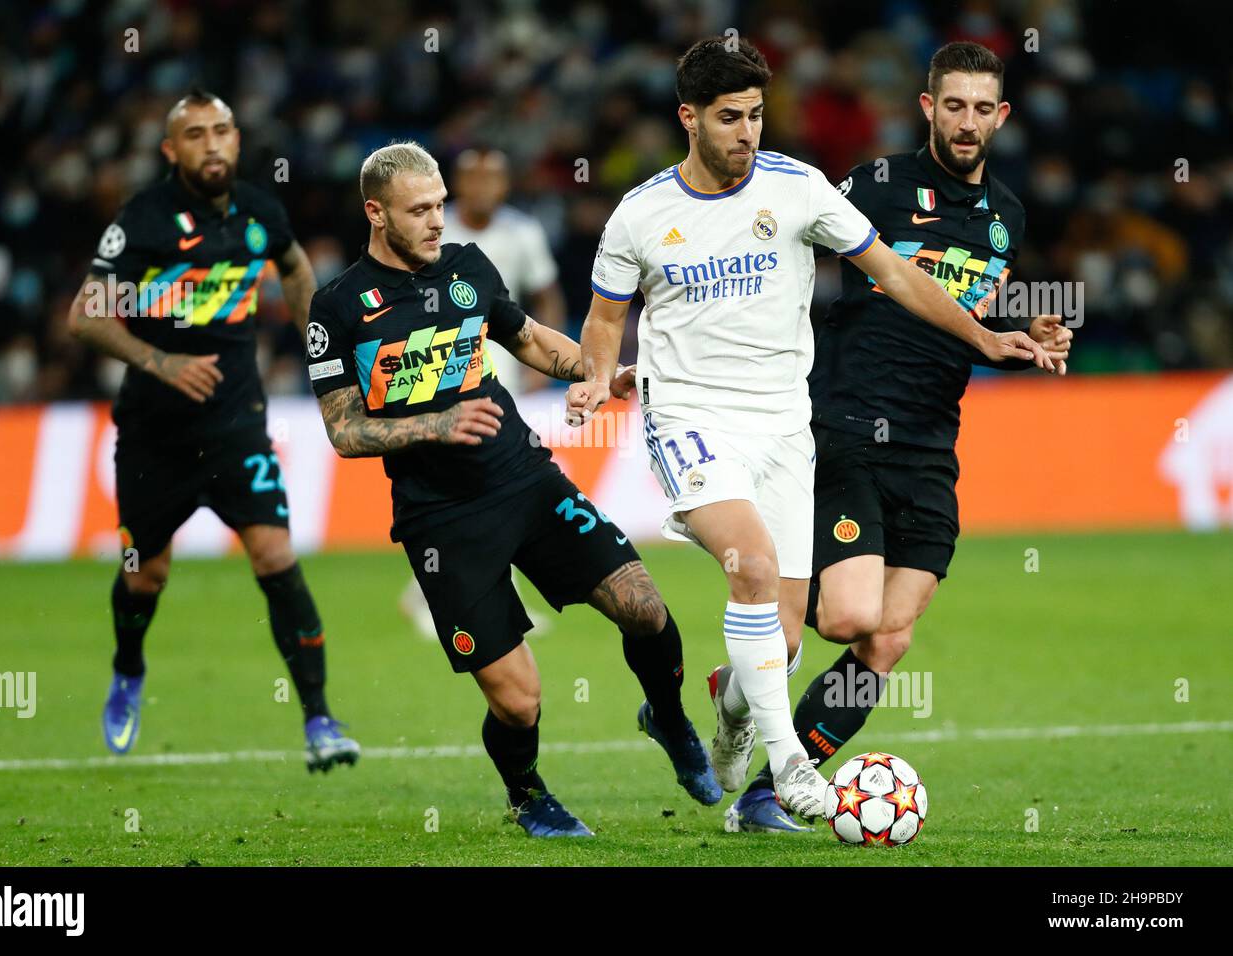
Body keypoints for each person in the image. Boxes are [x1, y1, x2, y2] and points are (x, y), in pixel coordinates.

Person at [568, 37, 1054, 822]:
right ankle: (790, 766)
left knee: (824, 641)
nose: (749, 133)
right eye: (732, 118)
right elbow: (602, 318)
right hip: (761, 419)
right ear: (688, 119)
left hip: (853, 433)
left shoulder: (828, 193)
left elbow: (917, 279)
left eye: (758, 116)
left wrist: (1000, 337)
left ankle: (737, 723)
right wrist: (596, 378)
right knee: (783, 583)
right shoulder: (650, 212)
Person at [306, 141, 720, 837]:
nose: (439, 221)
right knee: (519, 701)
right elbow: (344, 431)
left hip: (523, 479)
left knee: (644, 607)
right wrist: (439, 422)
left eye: (440, 205)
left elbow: (526, 338)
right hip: (440, 521)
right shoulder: (337, 308)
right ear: (376, 213)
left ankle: (671, 720)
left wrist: (592, 371)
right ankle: (527, 793)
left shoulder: (468, 268)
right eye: (420, 210)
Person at [722, 41, 1074, 832]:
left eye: (983, 109)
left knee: (886, 643)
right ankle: (753, 671)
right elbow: (784, 247)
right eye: (954, 105)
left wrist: (1025, 333)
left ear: (1003, 117)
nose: (967, 122)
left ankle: (767, 793)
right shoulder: (878, 186)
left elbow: (972, 316)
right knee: (846, 619)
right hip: (843, 425)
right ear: (927, 107)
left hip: (929, 448)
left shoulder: (1006, 217)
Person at [67, 88, 360, 772]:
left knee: (276, 559)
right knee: (146, 575)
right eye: (195, 134)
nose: (212, 144)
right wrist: (159, 359)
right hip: (153, 437)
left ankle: (319, 717)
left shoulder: (260, 211)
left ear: (236, 139)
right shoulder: (143, 221)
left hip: (237, 429)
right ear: (172, 150)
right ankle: (128, 669)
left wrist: (314, 343)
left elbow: (291, 266)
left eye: (221, 131)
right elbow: (85, 316)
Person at [398, 147, 567, 636]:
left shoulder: (523, 232)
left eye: (493, 178)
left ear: (505, 184)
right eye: (473, 178)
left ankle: (462, 594)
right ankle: (440, 591)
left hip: (504, 367)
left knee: (494, 484)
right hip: (443, 367)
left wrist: (544, 363)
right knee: (464, 482)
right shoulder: (434, 228)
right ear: (457, 184)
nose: (483, 187)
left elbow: (546, 293)